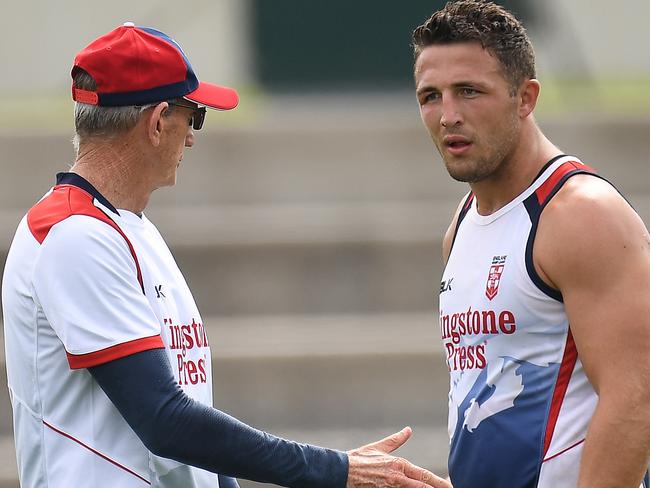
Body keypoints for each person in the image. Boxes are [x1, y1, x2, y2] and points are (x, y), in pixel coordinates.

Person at [1, 23, 452, 488]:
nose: (193, 137)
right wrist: (333, 470)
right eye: (193, 115)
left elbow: (191, 431)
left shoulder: (129, 229)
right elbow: (165, 419)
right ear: (157, 123)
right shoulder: (74, 236)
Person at [411, 1, 650, 487]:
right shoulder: (460, 227)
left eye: (469, 91)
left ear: (525, 97)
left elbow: (637, 397)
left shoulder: (580, 215)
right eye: (430, 96)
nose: (447, 115)